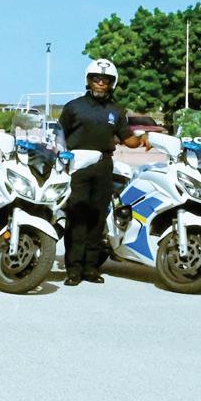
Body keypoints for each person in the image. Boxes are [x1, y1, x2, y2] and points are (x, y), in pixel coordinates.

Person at [58, 58, 146, 286]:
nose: (100, 83)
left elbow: (128, 139)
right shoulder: (73, 107)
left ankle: (91, 268)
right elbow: (59, 136)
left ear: (111, 83)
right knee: (77, 218)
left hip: (103, 166)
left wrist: (144, 138)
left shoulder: (116, 110)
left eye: (105, 80)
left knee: (97, 218)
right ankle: (73, 269)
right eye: (96, 79)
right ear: (88, 81)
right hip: (78, 166)